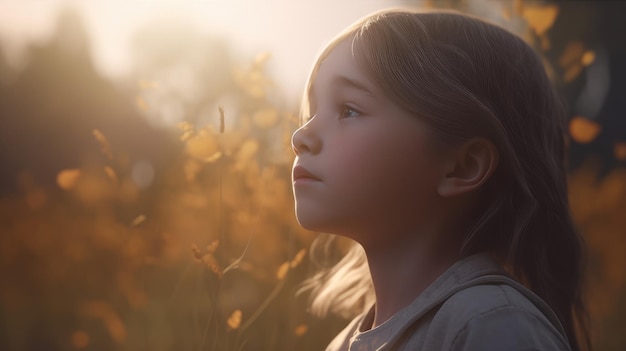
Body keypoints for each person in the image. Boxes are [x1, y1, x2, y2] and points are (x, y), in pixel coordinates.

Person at [290, 9, 590, 351]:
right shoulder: (341, 344)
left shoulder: (493, 326)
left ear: (462, 166)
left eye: (349, 110)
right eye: (311, 111)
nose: (300, 135)